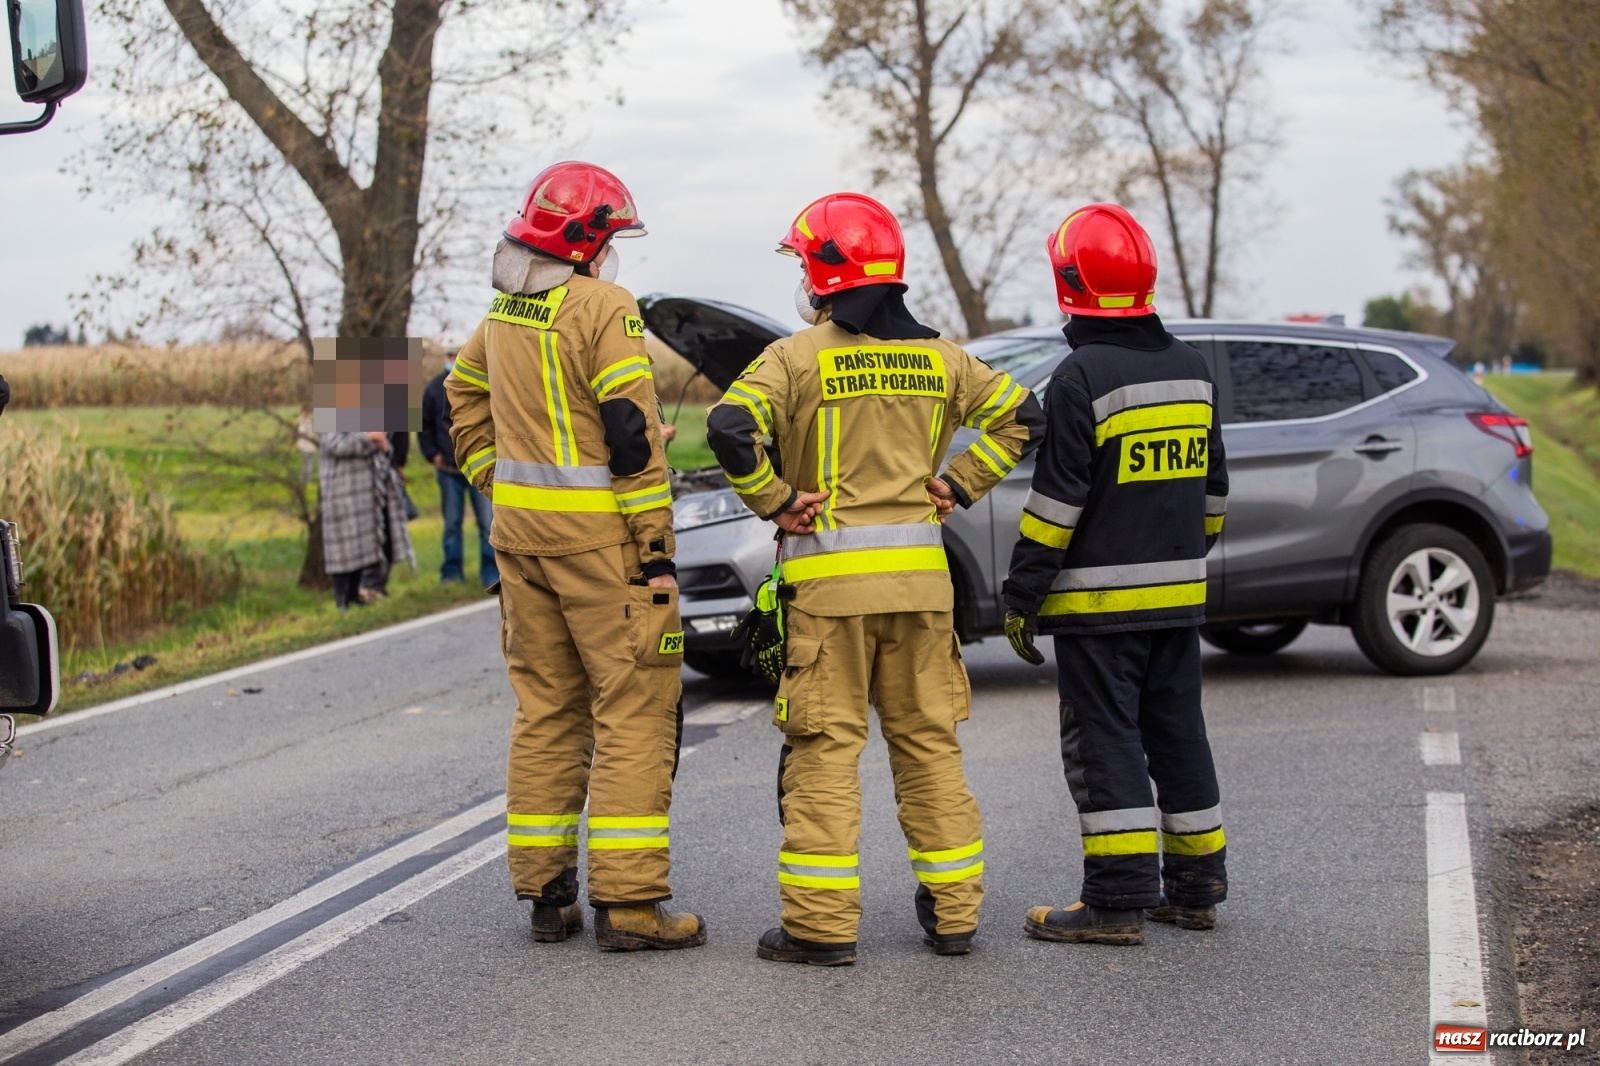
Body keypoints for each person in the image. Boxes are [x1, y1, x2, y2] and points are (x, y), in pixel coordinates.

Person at [706, 192, 1044, 966]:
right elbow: (1028, 417)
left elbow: (729, 426)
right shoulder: (944, 358)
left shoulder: (796, 357)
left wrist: (778, 501)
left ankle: (820, 929)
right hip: (924, 591)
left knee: (825, 751)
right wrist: (959, 484)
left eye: (802, 262)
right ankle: (955, 915)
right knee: (928, 746)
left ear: (827, 273)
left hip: (830, 596)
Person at [446, 161, 704, 951]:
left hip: (520, 543)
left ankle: (546, 895)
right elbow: (629, 436)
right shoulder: (605, 307)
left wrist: (498, 481)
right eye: (613, 236)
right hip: (601, 545)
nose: (615, 251)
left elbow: (464, 399)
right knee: (632, 709)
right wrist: (656, 552)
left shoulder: (503, 313)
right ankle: (629, 906)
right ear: (587, 241)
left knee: (548, 711)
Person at [1001, 203, 1230, 946]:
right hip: (1180, 602)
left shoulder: (1080, 376)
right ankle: (1196, 890)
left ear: (1070, 284)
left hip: (1099, 609)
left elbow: (1056, 506)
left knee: (1105, 744)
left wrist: (1022, 596)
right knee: (1178, 737)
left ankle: (1117, 901)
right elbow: (1215, 492)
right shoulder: (1191, 370)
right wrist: (1181, 559)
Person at [419, 352, 498, 587]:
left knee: (487, 523)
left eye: (457, 353)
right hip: (448, 469)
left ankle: (491, 572)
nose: (454, 359)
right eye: (450, 355)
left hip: (478, 468)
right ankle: (451, 574)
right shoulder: (434, 389)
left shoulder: (481, 383)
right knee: (452, 524)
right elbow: (424, 426)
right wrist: (431, 454)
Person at [319, 430, 417, 610]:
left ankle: (357, 596)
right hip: (342, 490)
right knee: (343, 549)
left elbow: (386, 441)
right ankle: (342, 601)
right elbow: (335, 445)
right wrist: (369, 438)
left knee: (363, 547)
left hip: (369, 491)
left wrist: (385, 448)